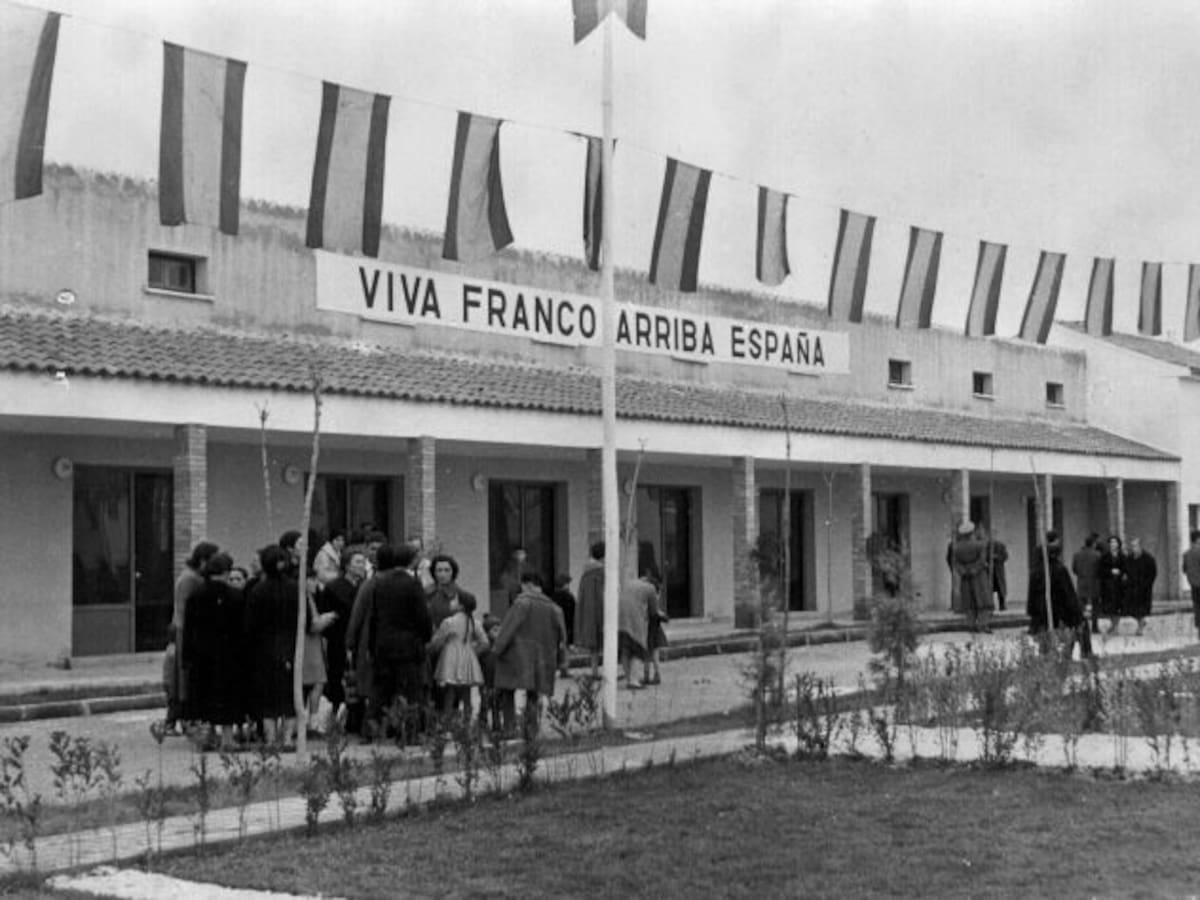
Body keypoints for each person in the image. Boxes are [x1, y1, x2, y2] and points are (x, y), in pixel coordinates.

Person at [369, 544, 433, 743]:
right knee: (410, 690)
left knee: (382, 689)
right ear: (412, 560)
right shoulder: (412, 584)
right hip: (408, 645)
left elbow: (374, 616)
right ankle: (410, 733)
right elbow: (423, 616)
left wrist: (373, 644)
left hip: (383, 643)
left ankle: (375, 729)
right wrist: (425, 637)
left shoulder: (379, 582)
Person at [183, 552, 247, 749]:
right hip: (230, 654)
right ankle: (228, 738)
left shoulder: (196, 595)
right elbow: (243, 629)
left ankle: (208, 735)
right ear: (226, 572)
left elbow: (188, 629)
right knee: (228, 695)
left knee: (205, 693)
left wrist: (186, 657)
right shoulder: (235, 596)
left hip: (202, 655)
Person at [492, 571, 567, 735]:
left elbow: (508, 629)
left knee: (507, 690)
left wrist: (497, 648)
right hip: (544, 656)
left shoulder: (522, 603)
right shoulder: (555, 608)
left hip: (516, 655)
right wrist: (562, 661)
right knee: (534, 692)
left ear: (528, 584)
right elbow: (562, 637)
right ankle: (531, 728)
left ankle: (509, 727)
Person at [244, 544, 299, 745]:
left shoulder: (258, 590)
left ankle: (270, 738)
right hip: (291, 647)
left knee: (268, 698)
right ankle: (287, 739)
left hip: (263, 650)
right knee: (289, 696)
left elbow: (250, 624)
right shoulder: (294, 588)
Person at [170, 540, 220, 730]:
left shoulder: (190, 577)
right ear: (203, 561)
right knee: (184, 677)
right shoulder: (191, 580)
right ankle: (183, 717)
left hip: (184, 630)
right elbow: (183, 611)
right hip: (186, 632)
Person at [322, 548, 368, 728]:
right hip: (338, 640)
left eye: (363, 562)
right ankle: (335, 718)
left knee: (360, 680)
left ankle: (357, 719)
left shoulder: (366, 585)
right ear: (347, 565)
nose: (361, 566)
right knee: (337, 679)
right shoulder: (333, 587)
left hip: (362, 642)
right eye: (357, 562)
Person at [426, 553, 477, 709]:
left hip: (452, 646)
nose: (442, 574)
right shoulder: (427, 593)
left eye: (446, 570)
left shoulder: (462, 596)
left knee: (452, 689)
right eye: (439, 570)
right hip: (431, 644)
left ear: (453, 572)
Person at [1027, 537, 1090, 658]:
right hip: (1059, 610)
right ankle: (1074, 654)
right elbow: (1068, 593)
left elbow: (1032, 595)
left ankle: (1049, 655)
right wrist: (1075, 610)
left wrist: (1032, 612)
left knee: (1047, 637)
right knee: (1073, 630)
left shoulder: (1035, 571)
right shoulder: (1059, 570)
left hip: (1043, 611)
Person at [428, 593, 486, 717]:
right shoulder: (475, 623)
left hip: (450, 659)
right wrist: (473, 653)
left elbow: (437, 641)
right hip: (468, 658)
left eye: (454, 600)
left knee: (450, 694)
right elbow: (485, 642)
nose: (451, 602)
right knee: (467, 694)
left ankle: (448, 724)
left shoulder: (448, 622)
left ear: (461, 606)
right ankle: (467, 724)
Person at [951, 521, 991, 633]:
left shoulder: (957, 548)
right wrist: (974, 570)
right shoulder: (980, 545)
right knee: (982, 601)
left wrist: (964, 571)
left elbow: (956, 563)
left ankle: (971, 625)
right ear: (972, 533)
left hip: (965, 578)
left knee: (969, 602)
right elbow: (982, 561)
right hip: (979, 577)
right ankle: (983, 625)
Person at [618, 569, 654, 686]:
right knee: (638, 649)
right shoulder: (650, 588)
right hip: (635, 621)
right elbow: (653, 611)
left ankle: (628, 678)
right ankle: (634, 680)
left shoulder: (627, 584)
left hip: (620, 620)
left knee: (625, 650)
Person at [575, 542, 605, 677]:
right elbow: (603, 595)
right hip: (600, 611)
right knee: (602, 642)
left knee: (594, 646)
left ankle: (594, 670)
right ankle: (600, 671)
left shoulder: (586, 572)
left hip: (588, 612)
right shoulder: (601, 572)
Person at [1124, 536, 1157, 636]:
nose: (1133, 548)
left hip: (1144, 588)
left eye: (1135, 546)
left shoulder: (1148, 559)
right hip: (1132, 587)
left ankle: (1140, 628)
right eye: (1132, 546)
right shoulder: (1129, 558)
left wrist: (1147, 584)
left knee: (1141, 609)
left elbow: (1153, 573)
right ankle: (1141, 622)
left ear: (1140, 547)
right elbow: (1126, 570)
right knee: (1131, 609)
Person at [1098, 535, 1128, 634]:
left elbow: (1126, 568)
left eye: (1114, 542)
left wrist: (1121, 573)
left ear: (1118, 544)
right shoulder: (1104, 556)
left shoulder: (1123, 556)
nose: (1113, 544)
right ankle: (1113, 624)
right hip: (1108, 585)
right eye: (1111, 542)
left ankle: (1115, 626)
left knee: (1118, 606)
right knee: (1109, 607)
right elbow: (1101, 570)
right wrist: (1110, 571)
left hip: (1119, 585)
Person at [1072, 533, 1102, 635]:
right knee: (1095, 605)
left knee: (1082, 605)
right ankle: (1094, 627)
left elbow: (1074, 569)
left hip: (1082, 582)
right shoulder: (1097, 555)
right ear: (1093, 544)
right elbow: (1100, 569)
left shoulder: (1077, 554)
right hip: (1094, 582)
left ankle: (1083, 625)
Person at [551, 573, 576, 676]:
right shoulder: (569, 597)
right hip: (566, 624)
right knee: (565, 648)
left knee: (555, 647)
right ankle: (564, 669)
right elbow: (573, 613)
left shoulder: (553, 596)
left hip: (554, 625)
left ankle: (556, 668)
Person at [1182, 530, 1200, 642]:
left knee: (1197, 608)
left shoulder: (1186, 554)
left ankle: (1199, 632)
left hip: (1194, 585)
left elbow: (1184, 569)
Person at [985, 531, 1009, 612]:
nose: (992, 537)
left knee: (1000, 589)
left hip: (998, 571)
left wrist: (997, 557)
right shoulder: (986, 546)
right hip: (989, 571)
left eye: (994, 535)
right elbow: (983, 557)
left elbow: (1005, 556)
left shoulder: (1001, 545)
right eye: (991, 536)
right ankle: (990, 605)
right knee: (989, 589)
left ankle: (1002, 605)